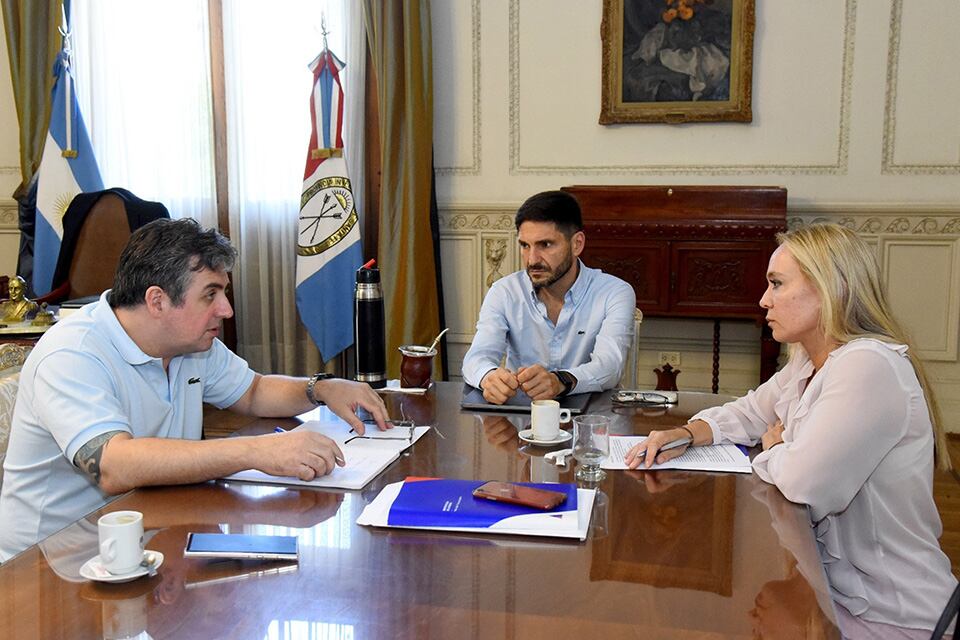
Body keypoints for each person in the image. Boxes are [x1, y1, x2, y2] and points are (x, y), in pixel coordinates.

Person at [626, 223, 956, 635]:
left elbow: (804, 484)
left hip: (893, 614)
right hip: (834, 596)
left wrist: (774, 448)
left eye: (777, 284)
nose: (764, 299)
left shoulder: (868, 365)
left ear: (827, 288)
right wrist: (689, 433)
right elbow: (751, 411)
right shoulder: (808, 359)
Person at [0, 218, 390, 561]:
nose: (226, 309)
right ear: (157, 301)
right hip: (51, 563)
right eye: (210, 294)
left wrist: (320, 388)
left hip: (150, 535)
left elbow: (253, 391)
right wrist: (258, 451)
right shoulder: (72, 353)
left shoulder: (188, 344)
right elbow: (114, 465)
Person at [461, 190, 636, 404]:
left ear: (577, 244)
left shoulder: (614, 293)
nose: (532, 259)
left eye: (545, 245)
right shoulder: (504, 292)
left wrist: (560, 381)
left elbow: (610, 367)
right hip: (520, 422)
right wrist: (487, 377)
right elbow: (476, 358)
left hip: (591, 420)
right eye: (525, 245)